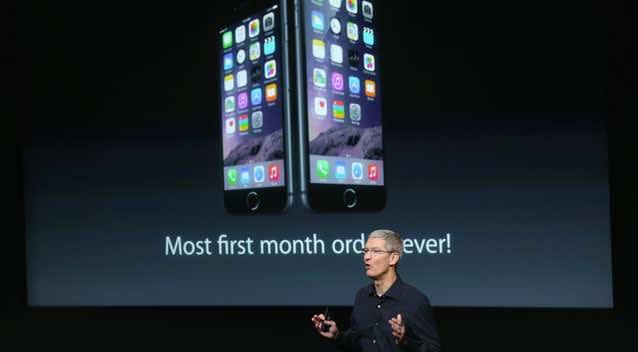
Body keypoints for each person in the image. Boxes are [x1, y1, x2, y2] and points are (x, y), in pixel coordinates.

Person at [311, 229, 441, 351]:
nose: (367, 257)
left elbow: (434, 349)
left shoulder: (415, 300)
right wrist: (338, 336)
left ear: (393, 258)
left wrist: (406, 341)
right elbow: (358, 341)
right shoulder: (362, 296)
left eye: (376, 251)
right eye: (365, 251)